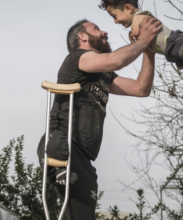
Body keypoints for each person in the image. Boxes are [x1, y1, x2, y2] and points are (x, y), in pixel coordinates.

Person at [37, 16, 161, 220]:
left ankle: (62, 175)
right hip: (65, 143)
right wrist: (143, 40)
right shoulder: (78, 57)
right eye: (97, 28)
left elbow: (141, 88)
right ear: (82, 36)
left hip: (83, 157)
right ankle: (59, 170)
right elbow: (117, 60)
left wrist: (149, 50)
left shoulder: (104, 75)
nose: (105, 32)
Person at [99, 0, 183, 70]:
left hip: (170, 41)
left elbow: (136, 33)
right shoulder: (144, 17)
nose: (115, 21)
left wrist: (132, 36)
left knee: (176, 45)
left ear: (128, 8)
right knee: (176, 53)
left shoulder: (138, 17)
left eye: (115, 16)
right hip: (168, 46)